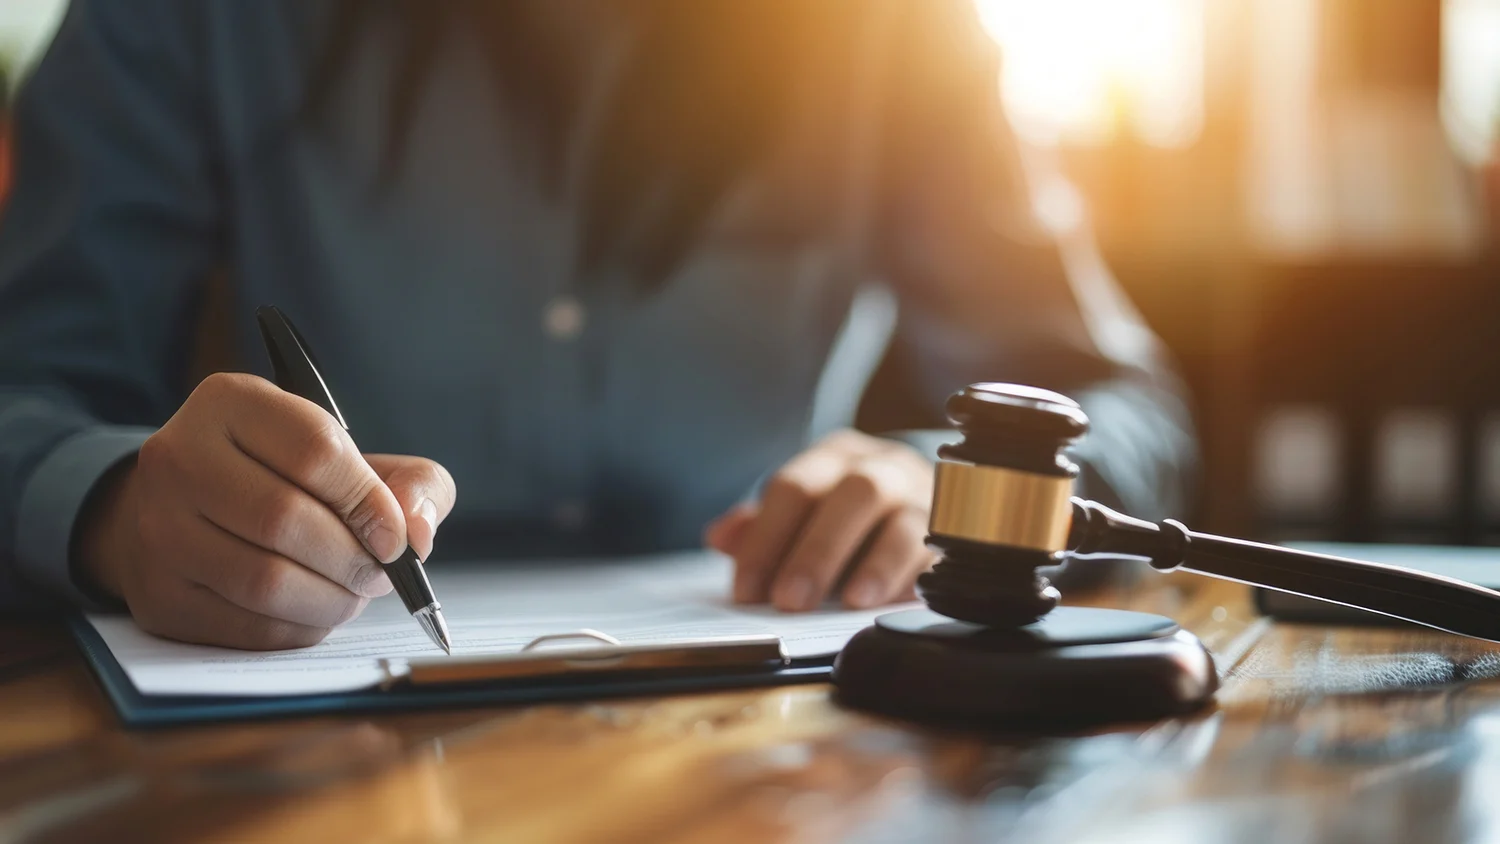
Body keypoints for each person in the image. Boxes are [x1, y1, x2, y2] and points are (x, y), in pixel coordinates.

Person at [0, 0, 1195, 650]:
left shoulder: (896, 31)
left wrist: (946, 492)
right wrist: (112, 510)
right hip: (290, 757)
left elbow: (1121, 403)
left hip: (768, 734)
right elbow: (25, 389)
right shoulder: (190, 21)